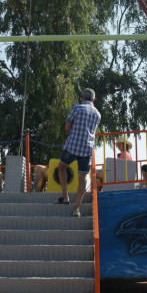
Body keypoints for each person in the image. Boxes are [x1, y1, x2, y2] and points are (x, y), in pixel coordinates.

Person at [57, 88, 102, 217]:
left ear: (82, 97)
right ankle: (76, 208)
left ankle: (65, 196)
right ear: (94, 100)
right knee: (82, 178)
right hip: (87, 148)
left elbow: (67, 128)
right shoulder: (98, 114)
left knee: (62, 167)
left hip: (72, 146)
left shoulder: (77, 108)